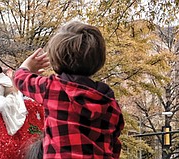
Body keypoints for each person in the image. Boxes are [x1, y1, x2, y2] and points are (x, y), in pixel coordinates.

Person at [14, 21, 124, 158]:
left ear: (57, 57)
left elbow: (20, 79)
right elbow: (114, 146)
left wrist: (26, 67)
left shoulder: (52, 88)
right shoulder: (111, 105)